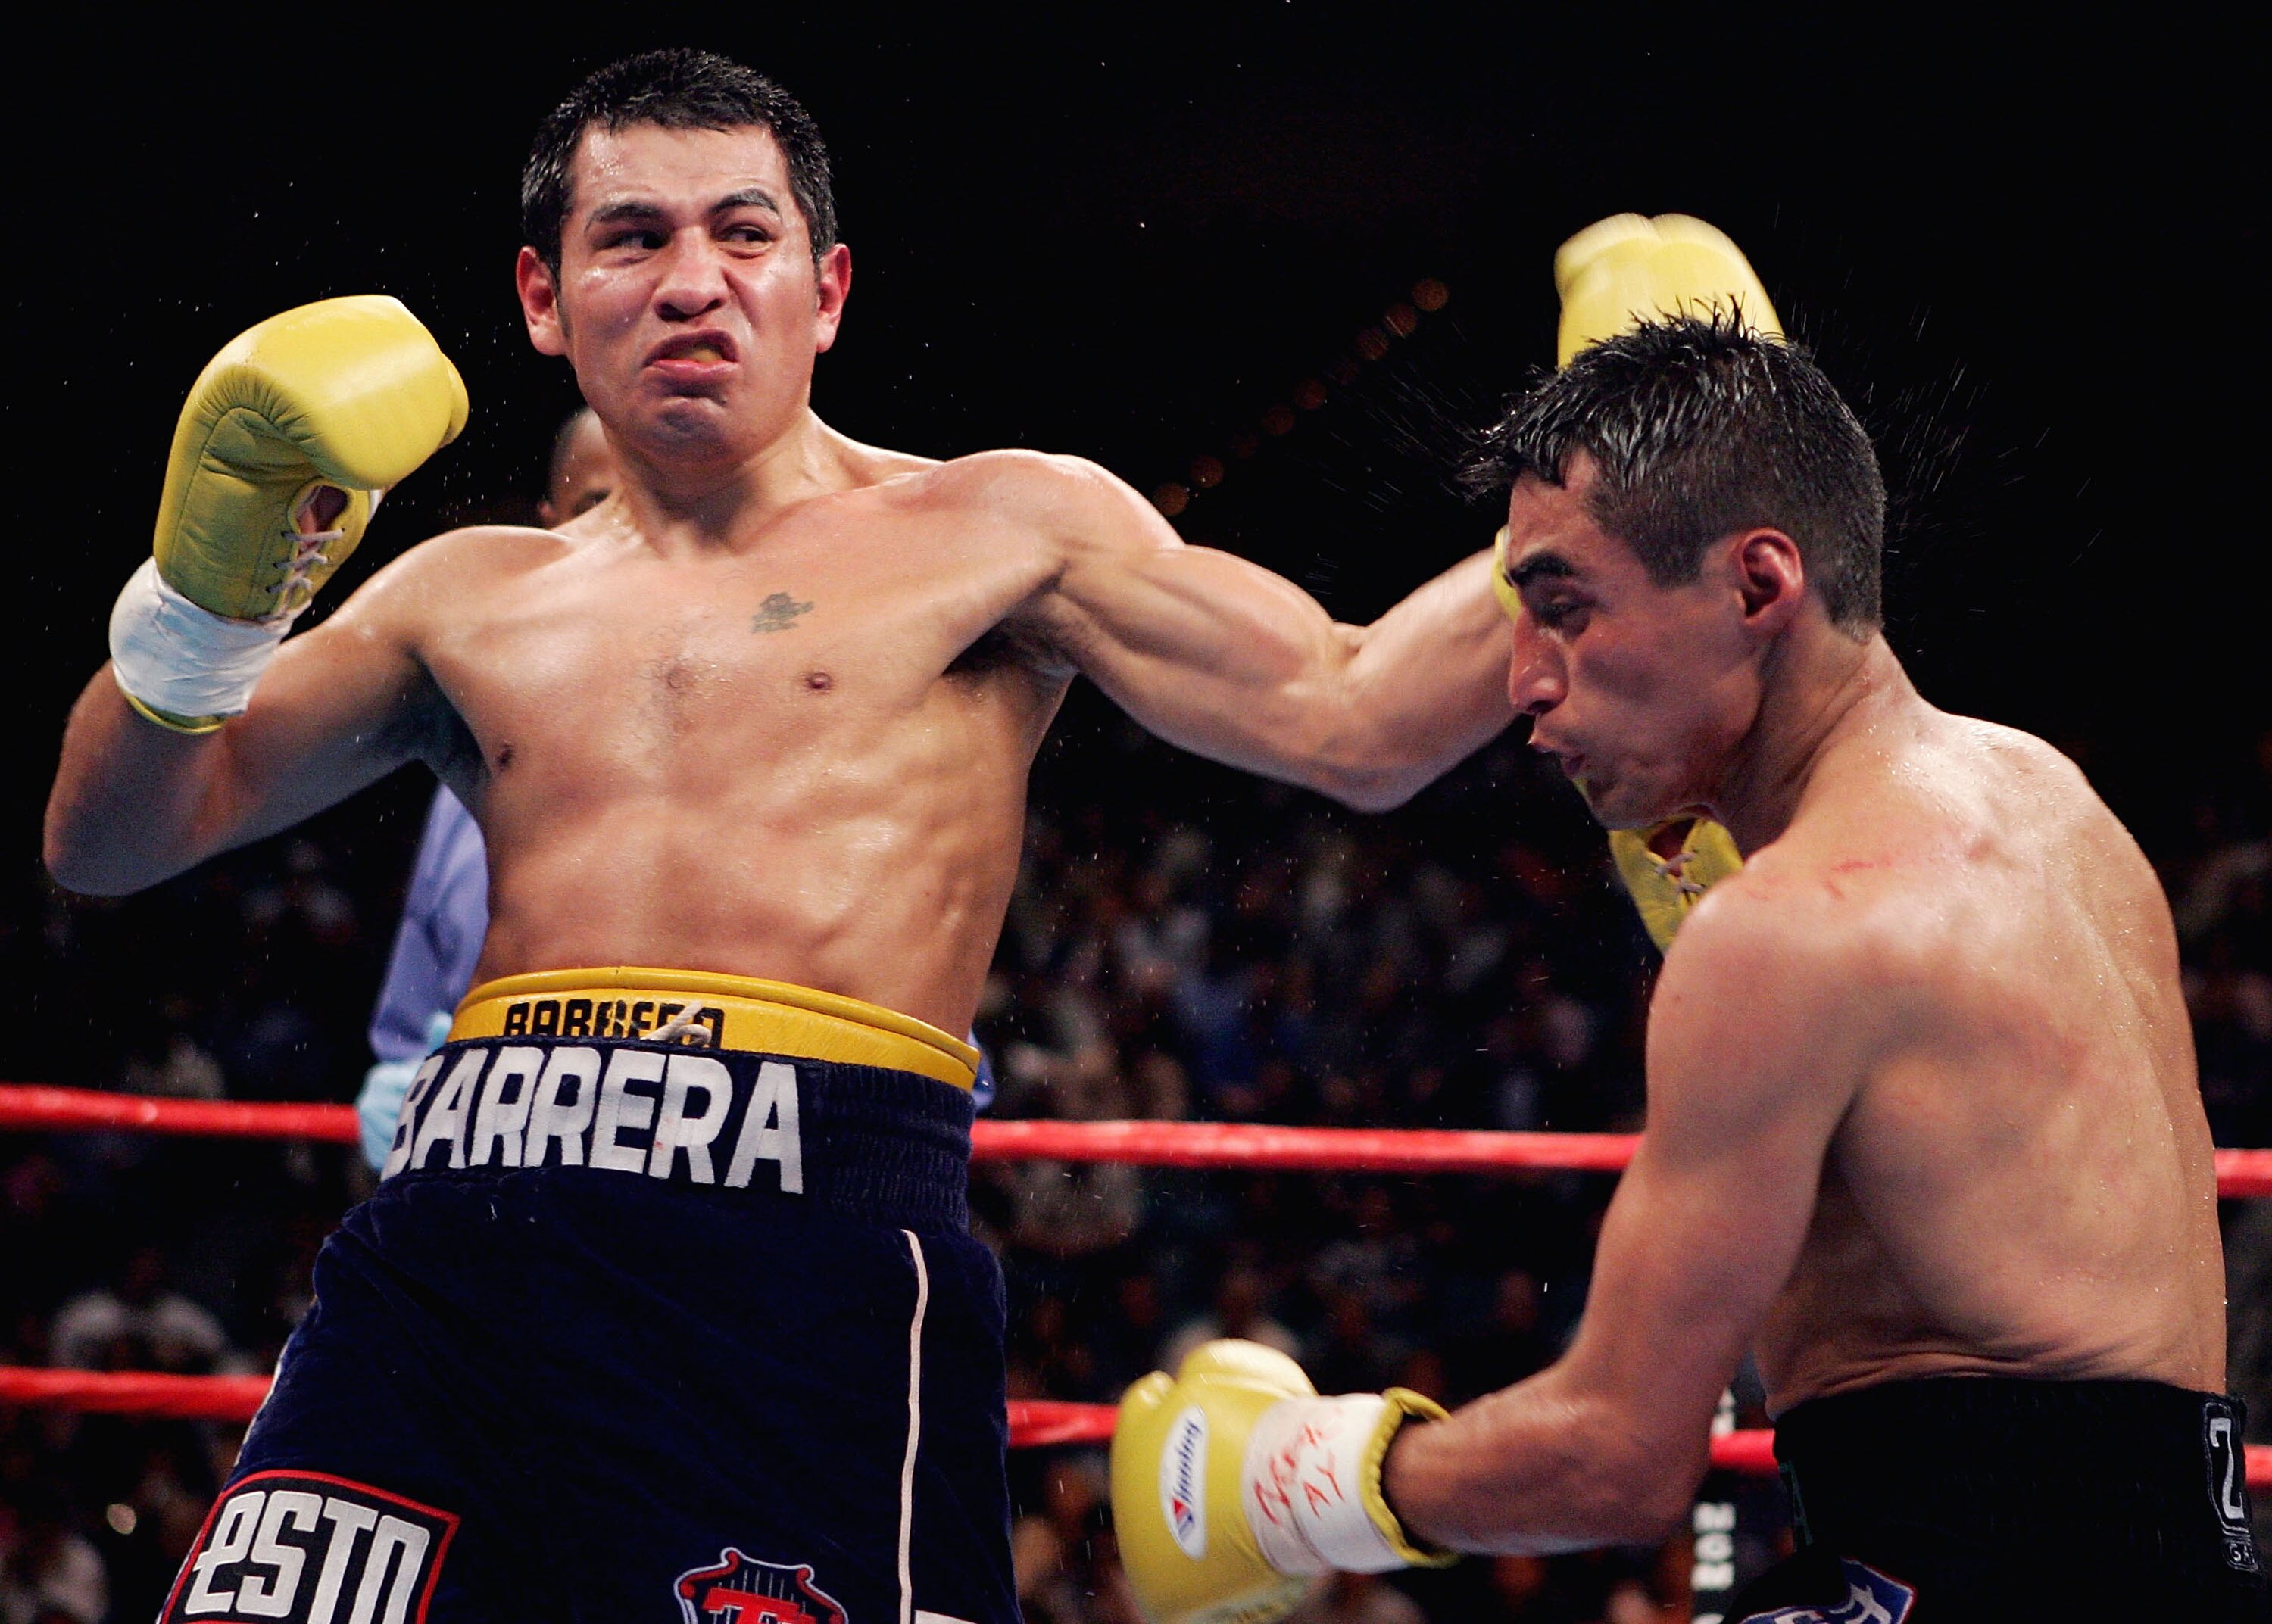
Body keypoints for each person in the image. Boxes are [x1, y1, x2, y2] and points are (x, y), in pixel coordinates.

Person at [42, 48, 1521, 1623]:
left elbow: (1357, 715)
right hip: (455, 1254)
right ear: (543, 296)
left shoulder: (1004, 533)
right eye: (634, 239)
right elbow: (114, 836)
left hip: (801, 1265)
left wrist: (1621, 503)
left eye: (742, 235)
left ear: (825, 288)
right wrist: (209, 595)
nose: (693, 283)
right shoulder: (459, 594)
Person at [1110, 317, 2265, 1619]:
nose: (1524, 683)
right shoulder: (2055, 805)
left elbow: (1617, 1456)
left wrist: (1293, 1482)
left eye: (1566, 609)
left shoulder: (1787, 932)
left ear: (1759, 587)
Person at [357, 410, 619, 1172]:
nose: (629, 546)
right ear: (547, 531)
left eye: (656, 507)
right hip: (494, 1215)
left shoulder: (779, 742)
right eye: (600, 509)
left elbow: (924, 1064)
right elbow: (409, 1038)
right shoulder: (466, 765)